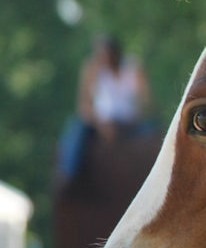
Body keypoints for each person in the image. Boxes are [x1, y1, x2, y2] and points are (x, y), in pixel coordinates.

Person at [57, 35, 151, 184]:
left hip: (130, 123)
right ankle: (69, 178)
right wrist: (101, 125)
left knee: (156, 138)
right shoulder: (92, 69)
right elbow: (84, 105)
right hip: (100, 122)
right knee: (75, 135)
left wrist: (135, 118)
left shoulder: (133, 67)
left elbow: (145, 101)